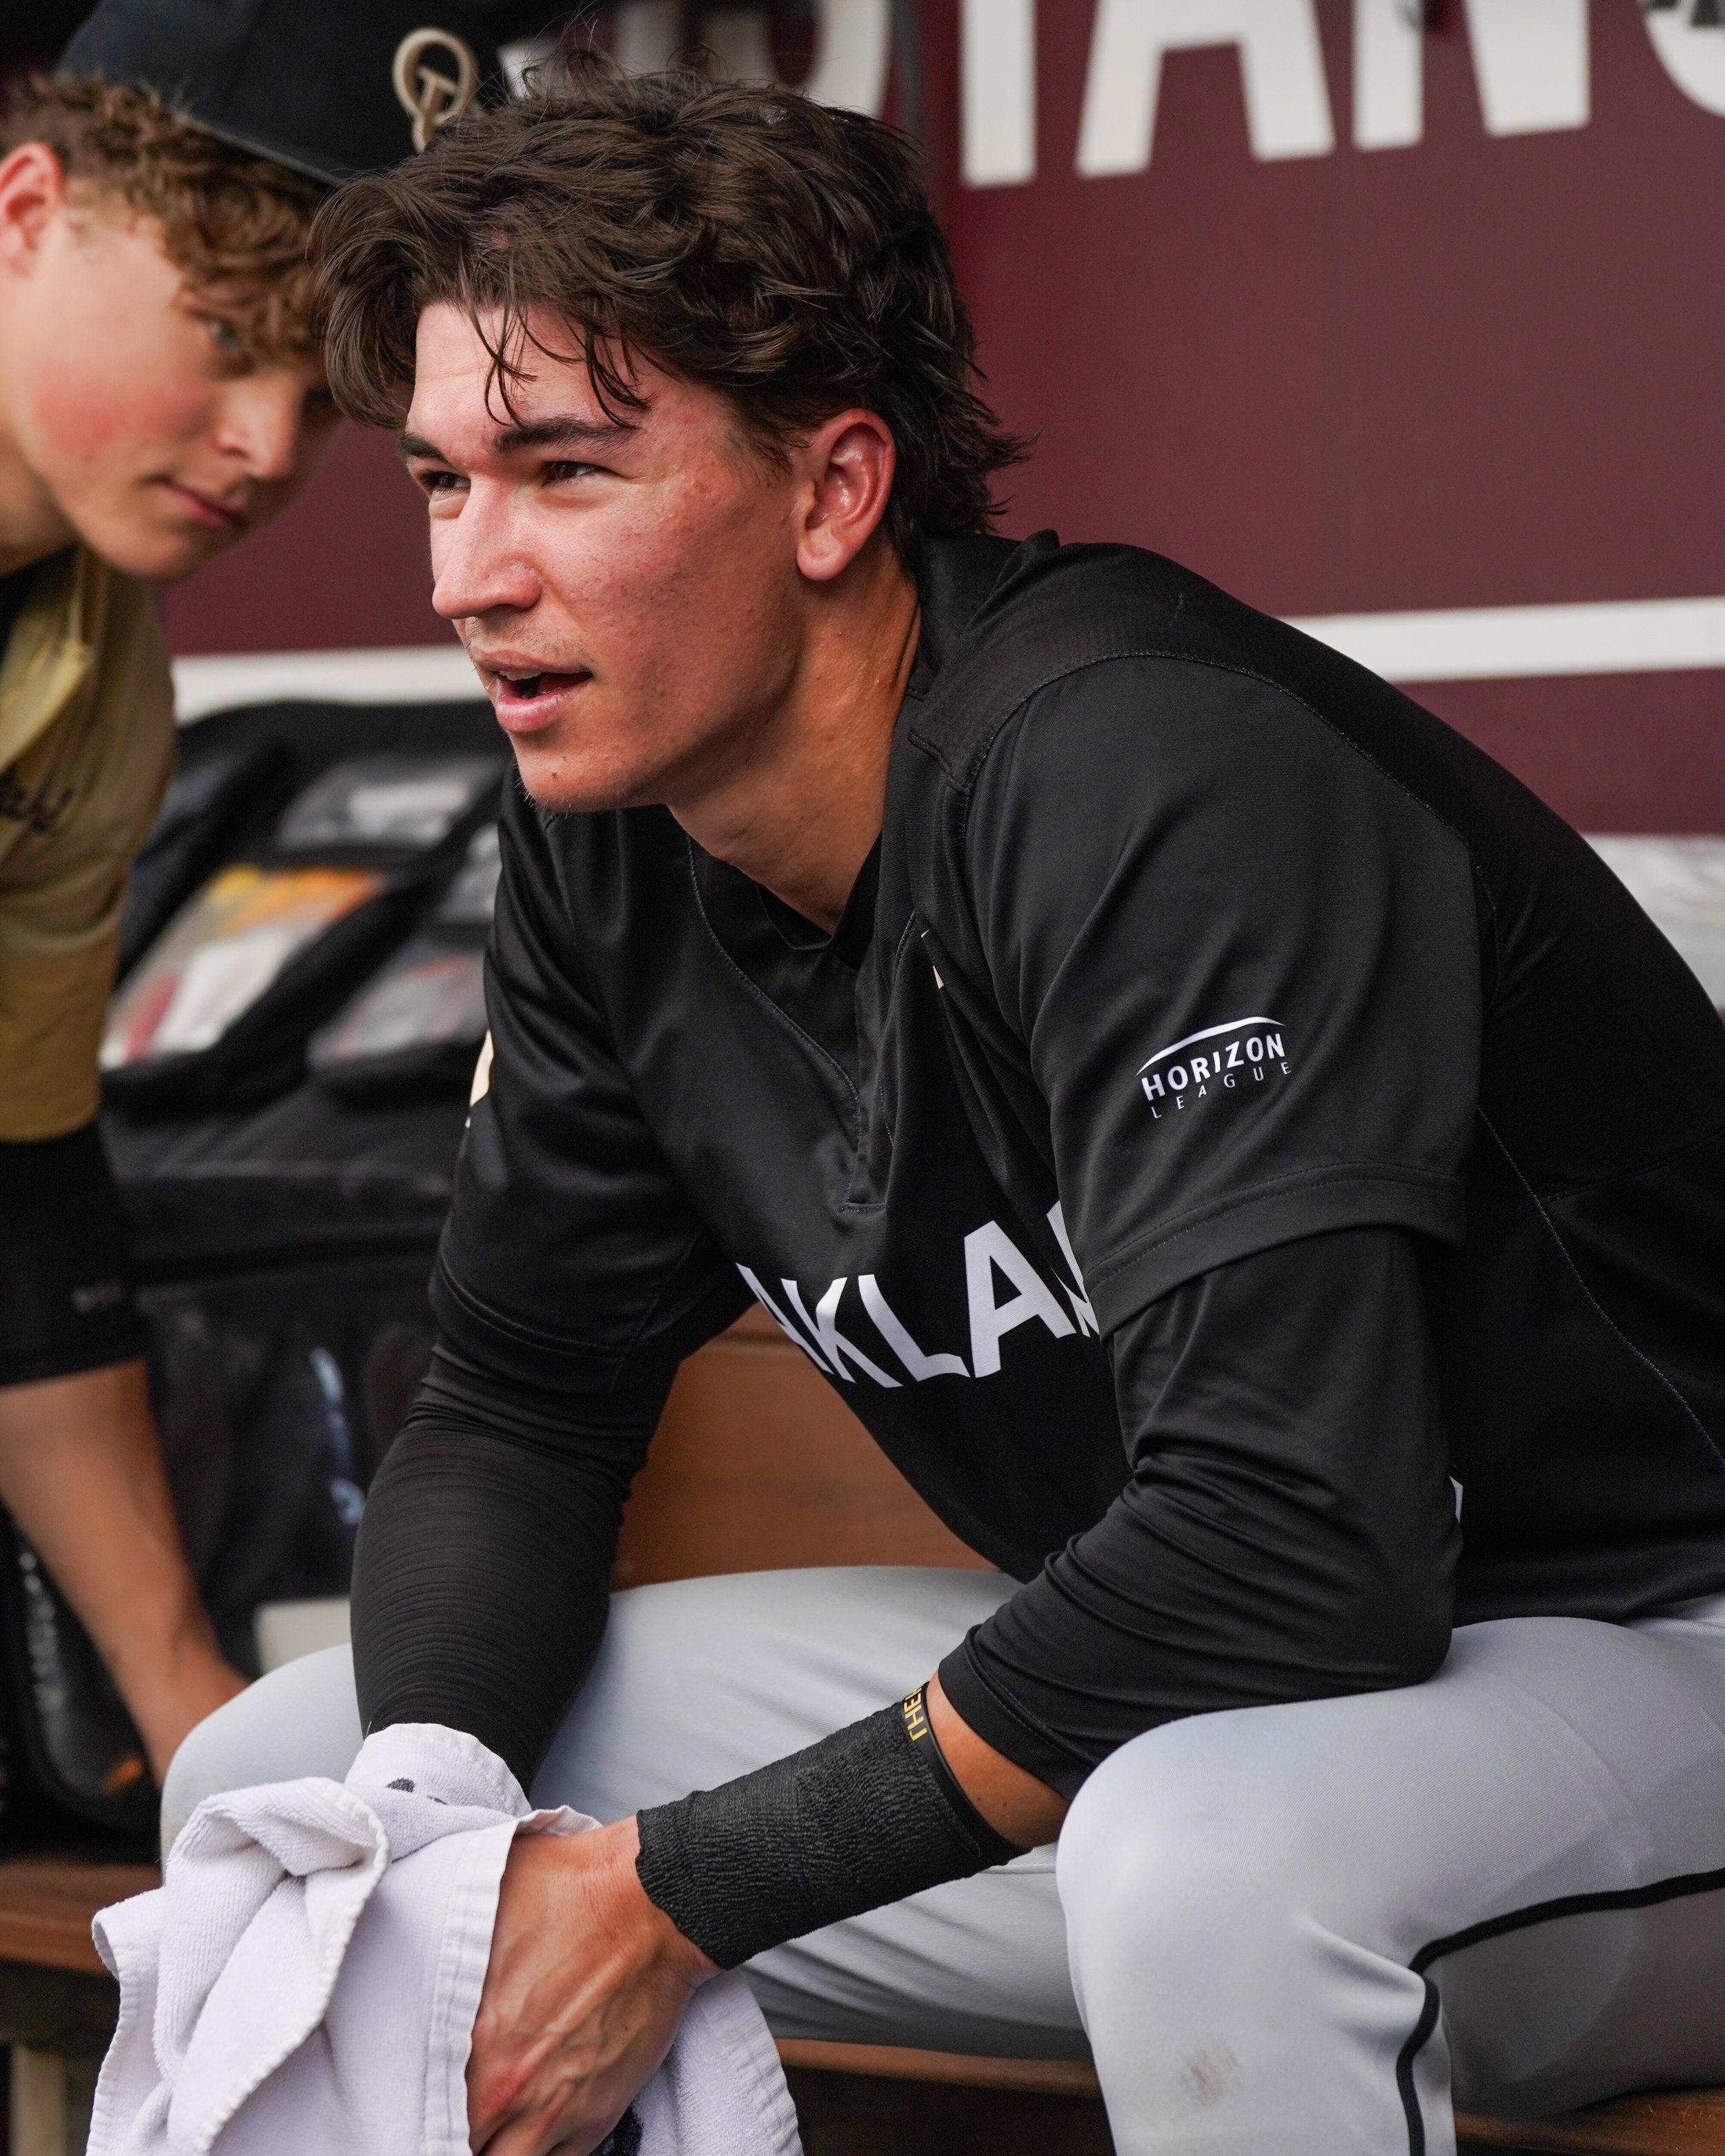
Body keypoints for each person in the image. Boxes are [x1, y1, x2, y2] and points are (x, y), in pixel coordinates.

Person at [165, 68, 1725, 2156]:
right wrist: (446, 1831)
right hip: (1217, 1691)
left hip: (1643, 1647)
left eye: (566, 471)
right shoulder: (612, 834)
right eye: (443, 482)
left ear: (833, 490)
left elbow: (1292, 1541)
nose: (470, 574)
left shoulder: (1138, 762)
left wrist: (675, 1896)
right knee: (298, 1797)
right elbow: (523, 1404)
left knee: (1202, 1863)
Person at [0, 0, 496, 1790]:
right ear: (27, 211)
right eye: (225, 338)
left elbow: (21, 1193)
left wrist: (186, 1706)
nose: (269, 448)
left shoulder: (100, 686)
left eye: (325, 397)